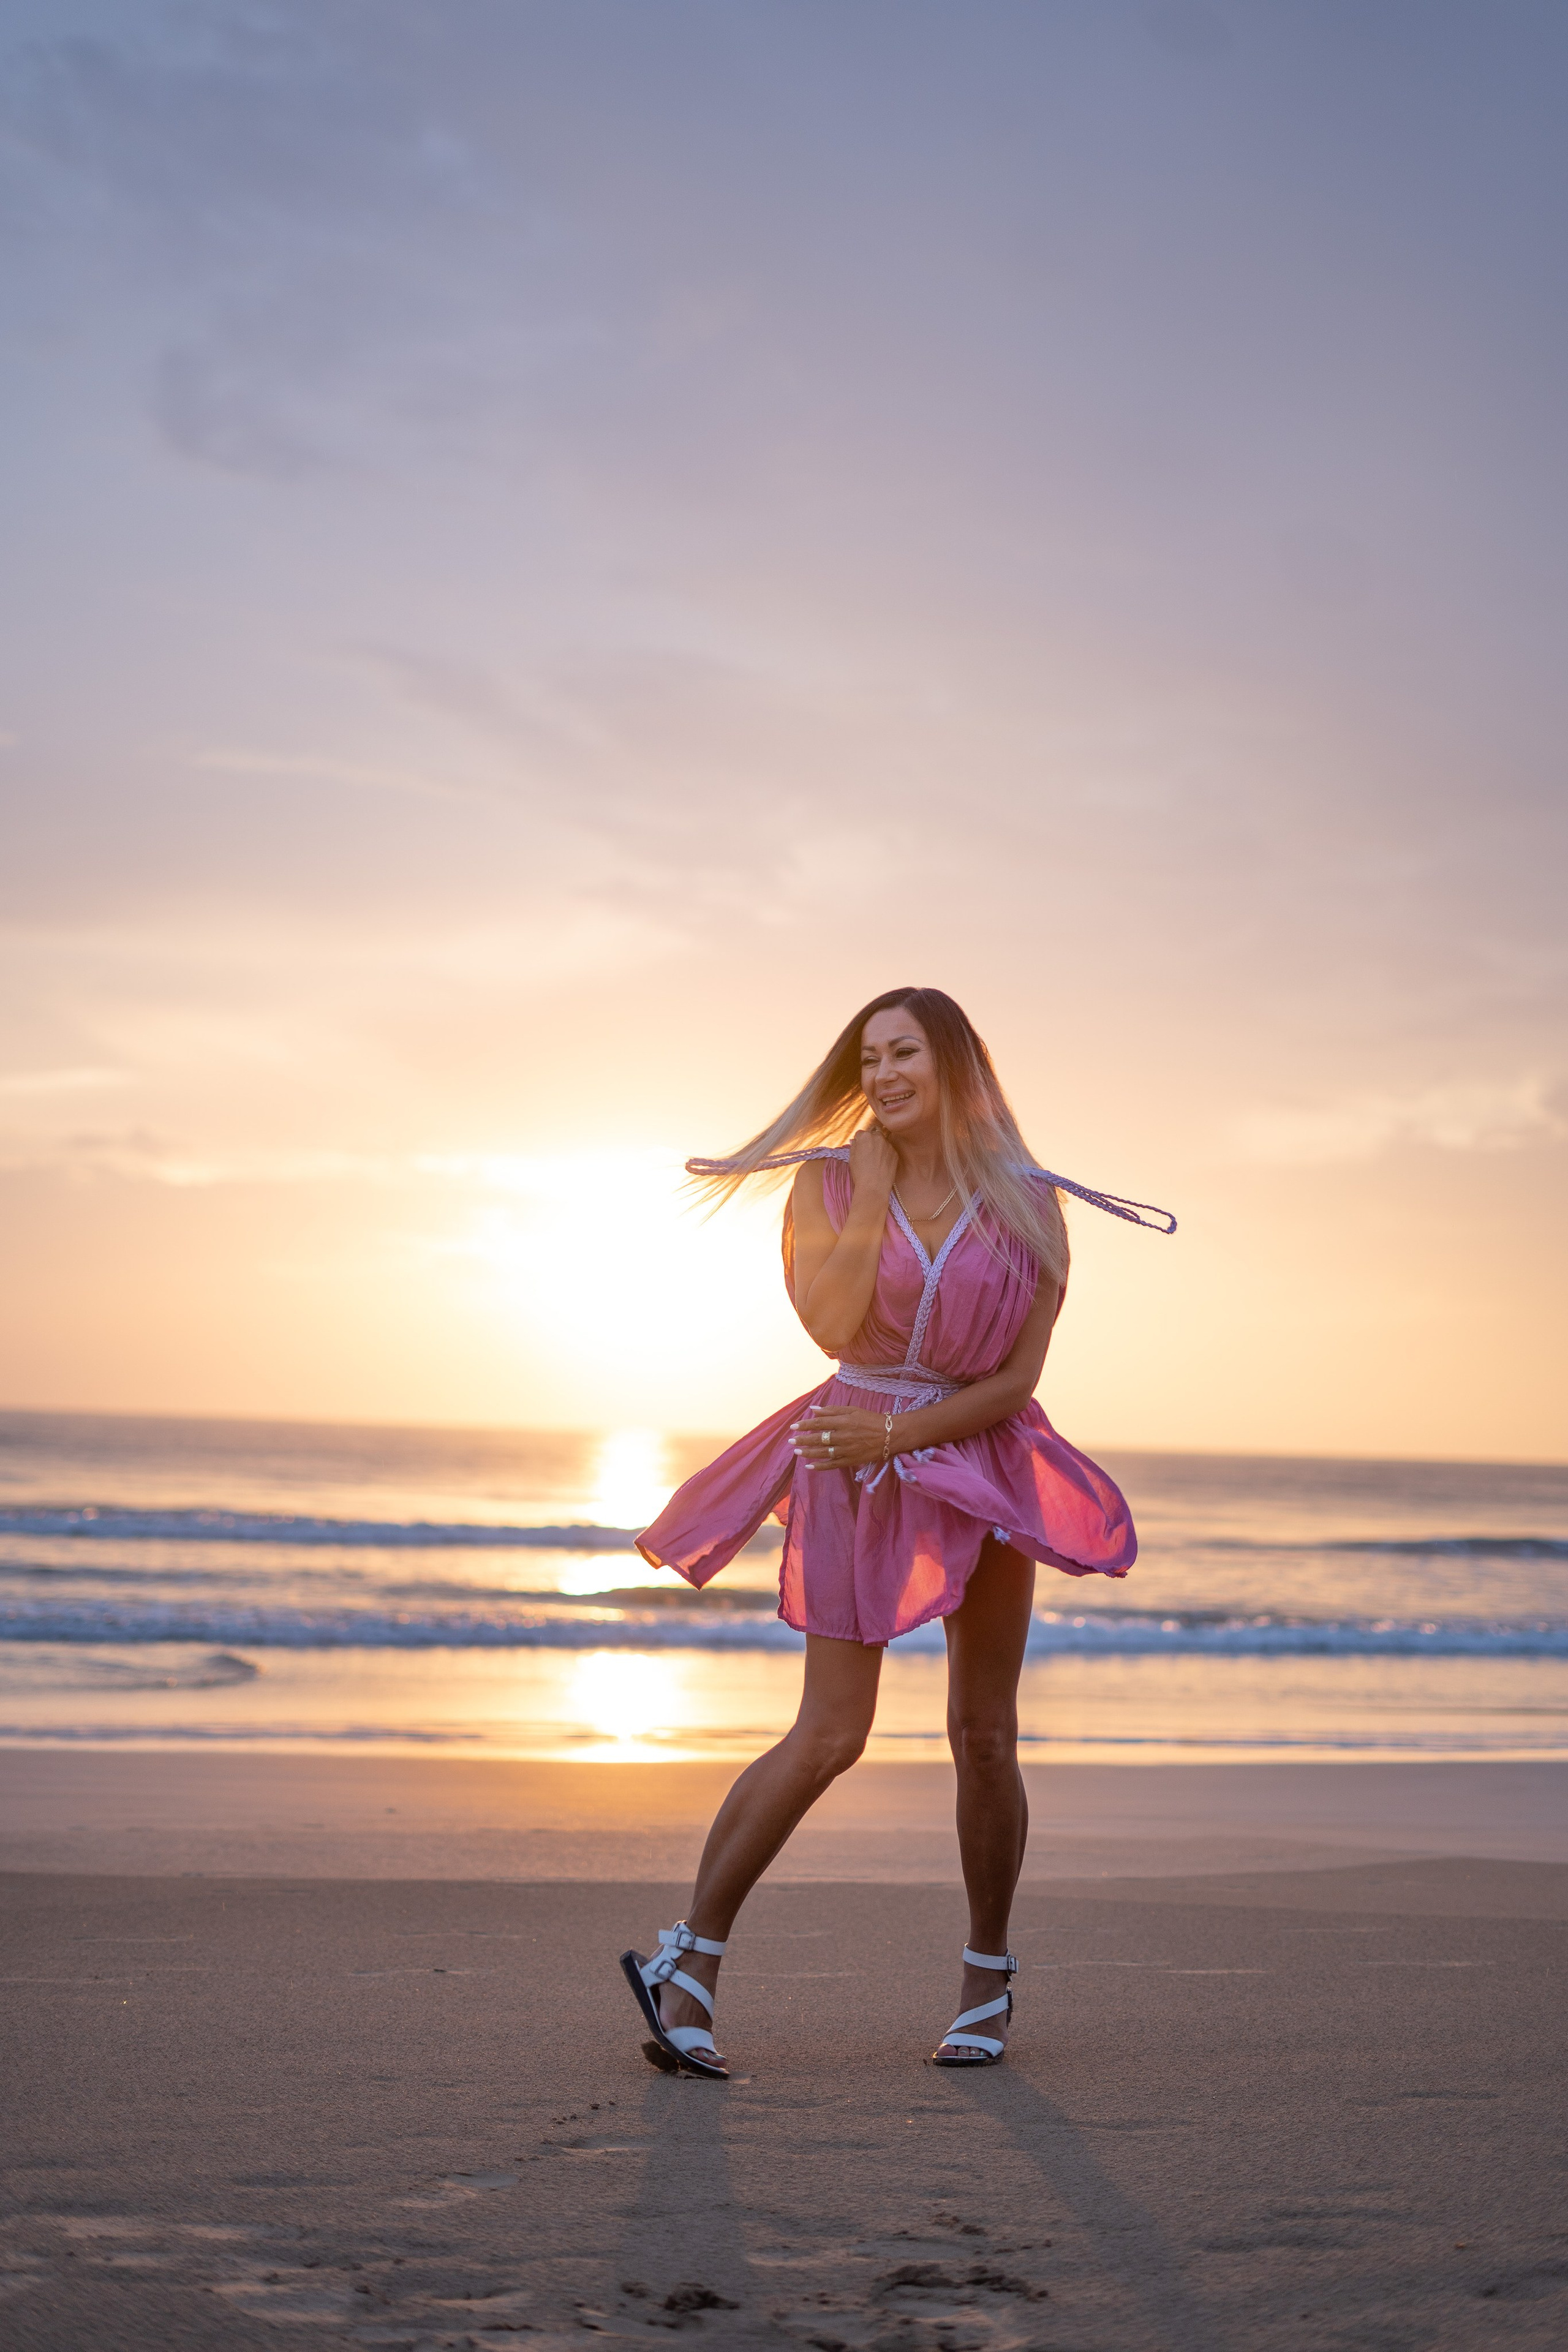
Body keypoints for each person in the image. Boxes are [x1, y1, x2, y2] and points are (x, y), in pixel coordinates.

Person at [620, 986, 1173, 2076]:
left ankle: (988, 1979)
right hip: (850, 1452)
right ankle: (688, 1965)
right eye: (867, 1057)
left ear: (956, 1064)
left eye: (904, 1051)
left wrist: (911, 1436)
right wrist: (869, 1199)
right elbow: (829, 1325)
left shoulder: (1031, 1204)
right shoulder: (827, 1184)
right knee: (830, 1733)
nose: (882, 1075)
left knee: (984, 1734)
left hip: (986, 1457)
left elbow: (1018, 1377)